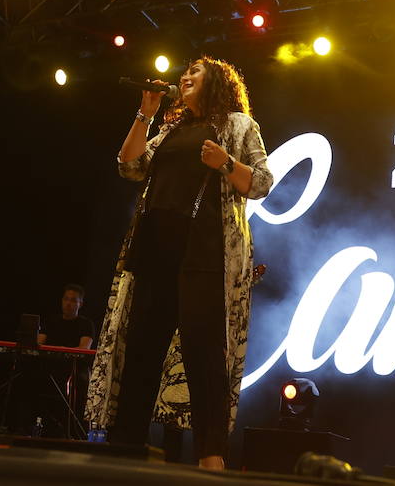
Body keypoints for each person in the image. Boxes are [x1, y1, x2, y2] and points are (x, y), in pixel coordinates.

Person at [86, 57, 273, 470]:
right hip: (154, 251)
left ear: (217, 82)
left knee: (204, 355)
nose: (184, 77)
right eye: (183, 73)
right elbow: (129, 165)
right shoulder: (171, 129)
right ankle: (126, 452)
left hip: (204, 251)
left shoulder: (240, 125)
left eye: (195, 73)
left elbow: (261, 182)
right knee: (140, 353)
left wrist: (225, 162)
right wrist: (145, 114)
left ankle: (211, 458)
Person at [38, 284, 94, 349]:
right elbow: (38, 343)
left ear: (80, 304)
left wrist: (62, 350)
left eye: (73, 300)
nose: (68, 303)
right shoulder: (49, 322)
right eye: (66, 299)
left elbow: (84, 348)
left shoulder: (86, 324)